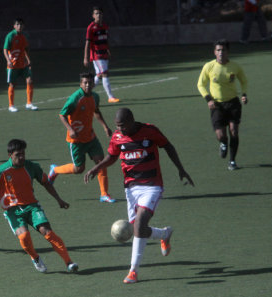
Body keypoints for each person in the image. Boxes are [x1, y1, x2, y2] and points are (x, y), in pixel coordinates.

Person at [84, 108, 194, 284]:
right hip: (131, 189)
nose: (120, 129)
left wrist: (181, 168)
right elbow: (112, 156)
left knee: (140, 224)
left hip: (152, 186)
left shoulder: (150, 131)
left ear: (131, 121)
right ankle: (164, 234)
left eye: (122, 126)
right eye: (117, 126)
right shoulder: (117, 137)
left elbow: (168, 146)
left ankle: (133, 271)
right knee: (139, 230)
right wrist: (96, 168)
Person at [0, 139, 78, 273]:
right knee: (24, 236)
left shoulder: (31, 167)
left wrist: (59, 200)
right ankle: (35, 257)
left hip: (32, 207)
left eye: (23, 154)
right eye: (18, 154)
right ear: (10, 155)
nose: (22, 157)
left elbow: (45, 182)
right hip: (13, 211)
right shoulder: (1, 171)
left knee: (48, 232)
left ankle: (69, 262)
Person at [48, 72, 115, 203]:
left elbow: (96, 111)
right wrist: (70, 129)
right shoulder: (75, 98)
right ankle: (55, 170)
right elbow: (62, 115)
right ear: (80, 84)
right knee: (79, 169)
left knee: (101, 162)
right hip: (76, 140)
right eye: (85, 83)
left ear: (93, 84)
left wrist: (105, 126)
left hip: (91, 137)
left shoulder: (95, 97)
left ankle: (104, 194)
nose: (88, 85)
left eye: (90, 82)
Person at [197, 39, 248, 170]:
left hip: (233, 103)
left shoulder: (235, 67)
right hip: (217, 105)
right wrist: (208, 99)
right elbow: (200, 85)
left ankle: (232, 161)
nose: (221, 53)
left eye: (223, 50)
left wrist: (244, 94)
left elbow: (244, 81)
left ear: (228, 52)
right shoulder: (209, 66)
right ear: (214, 52)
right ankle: (223, 143)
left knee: (234, 131)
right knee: (221, 135)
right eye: (218, 50)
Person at [84, 6, 120, 103]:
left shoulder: (105, 26)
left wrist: (108, 50)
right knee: (105, 73)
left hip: (104, 54)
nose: (98, 15)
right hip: (97, 55)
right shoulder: (91, 28)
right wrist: (86, 58)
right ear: (93, 16)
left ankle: (85, 91)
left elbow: (106, 39)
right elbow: (87, 43)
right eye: (96, 13)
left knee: (99, 75)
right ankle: (110, 97)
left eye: (100, 13)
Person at [3, 18, 37, 112]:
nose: (19, 26)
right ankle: (11, 105)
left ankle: (29, 103)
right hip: (13, 65)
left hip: (23, 64)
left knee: (29, 80)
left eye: (21, 24)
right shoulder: (10, 36)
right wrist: (8, 60)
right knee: (12, 84)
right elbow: (5, 49)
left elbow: (25, 49)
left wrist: (28, 60)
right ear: (14, 26)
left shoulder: (23, 37)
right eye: (17, 24)